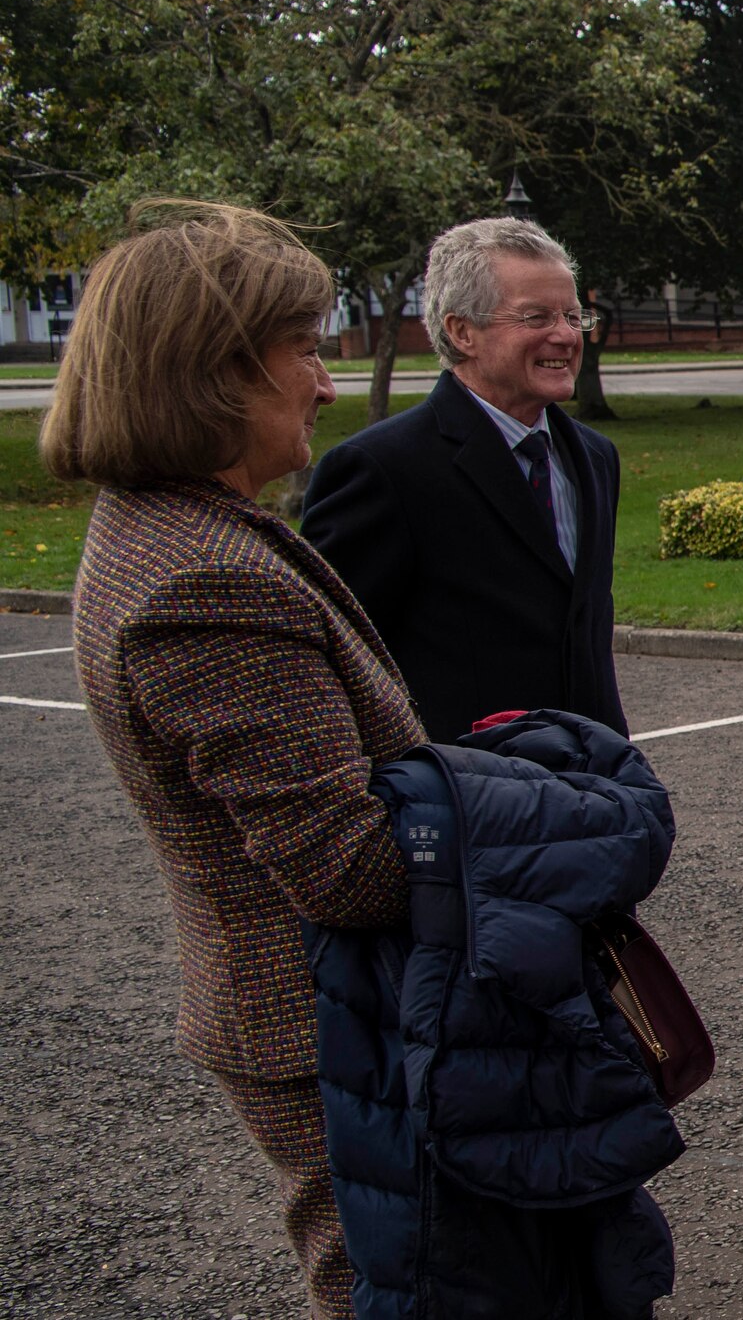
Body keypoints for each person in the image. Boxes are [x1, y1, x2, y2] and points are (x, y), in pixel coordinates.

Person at [47, 200, 425, 1319]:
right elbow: (350, 869)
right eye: (305, 350)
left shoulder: (180, 530)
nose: (325, 382)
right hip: (329, 1025)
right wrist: (535, 826)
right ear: (213, 373)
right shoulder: (203, 582)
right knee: (399, 1285)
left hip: (305, 1014)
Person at [301, 217, 625, 741]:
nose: (566, 335)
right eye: (536, 316)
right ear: (461, 332)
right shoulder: (381, 469)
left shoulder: (595, 457)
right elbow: (331, 661)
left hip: (596, 787)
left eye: (571, 315)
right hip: (465, 797)